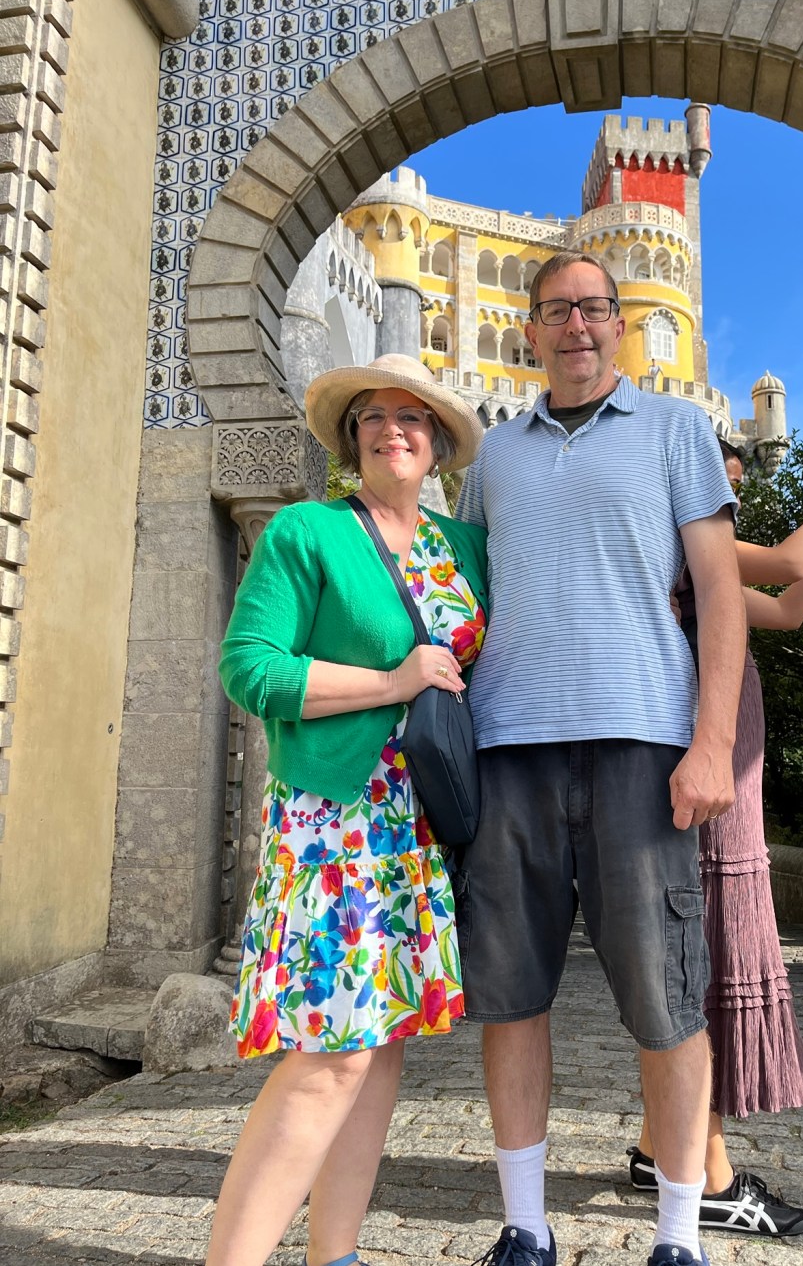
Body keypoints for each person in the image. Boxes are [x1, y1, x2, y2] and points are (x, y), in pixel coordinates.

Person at [455, 253, 748, 1266]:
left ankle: (678, 1237)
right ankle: (524, 1227)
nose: (575, 324)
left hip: (642, 747)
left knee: (666, 999)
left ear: (618, 325)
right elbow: (460, 605)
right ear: (528, 332)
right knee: (510, 995)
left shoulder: (676, 431)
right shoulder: (490, 458)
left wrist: (710, 743)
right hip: (508, 751)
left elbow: (718, 593)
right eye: (555, 311)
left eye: (592, 307)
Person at [208, 353, 488, 1266]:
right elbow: (250, 668)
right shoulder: (307, 533)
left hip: (419, 829)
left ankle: (338, 1254)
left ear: (440, 441)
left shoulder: (463, 550)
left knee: (381, 1049)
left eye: (413, 416)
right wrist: (390, 680)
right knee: (331, 1055)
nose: (393, 428)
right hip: (334, 825)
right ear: (351, 438)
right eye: (374, 416)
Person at [628, 439, 803, 1238]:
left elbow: (793, 603)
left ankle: (652, 1149)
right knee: (698, 965)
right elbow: (780, 560)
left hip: (725, 787)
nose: (727, 503)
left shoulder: (705, 578)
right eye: (723, 488)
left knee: (694, 960)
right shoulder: (677, 539)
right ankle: (707, 1175)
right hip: (701, 786)